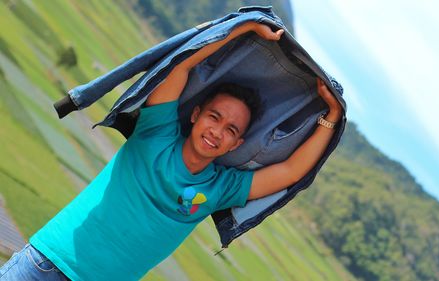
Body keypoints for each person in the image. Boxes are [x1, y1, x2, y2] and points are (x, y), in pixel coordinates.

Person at [0, 22, 343, 281]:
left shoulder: (221, 187)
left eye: (231, 130)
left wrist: (331, 116)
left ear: (237, 144)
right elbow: (179, 67)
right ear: (196, 115)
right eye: (214, 117)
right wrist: (244, 28)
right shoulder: (156, 132)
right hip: (47, 263)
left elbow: (291, 173)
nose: (217, 132)